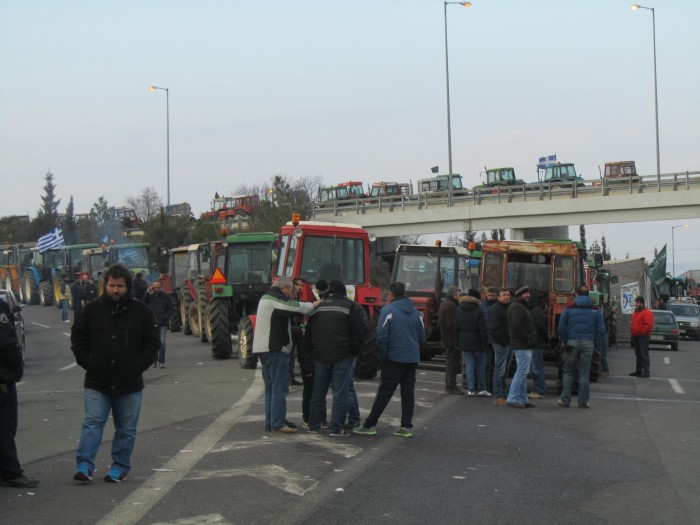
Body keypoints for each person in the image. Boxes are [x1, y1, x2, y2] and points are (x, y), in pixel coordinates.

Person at [70, 263, 160, 482]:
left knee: (126, 429)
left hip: (129, 383)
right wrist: (88, 362)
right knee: (92, 423)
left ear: (127, 286)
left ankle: (119, 467)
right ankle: (84, 465)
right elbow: (78, 338)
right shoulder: (91, 311)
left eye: (120, 286)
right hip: (97, 381)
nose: (115, 290)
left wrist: (138, 366)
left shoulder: (142, 312)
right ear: (105, 286)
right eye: (111, 286)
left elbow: (152, 343)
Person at [354, 282, 425, 438]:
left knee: (384, 392)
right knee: (408, 392)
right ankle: (406, 426)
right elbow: (421, 336)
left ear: (391, 294)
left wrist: (384, 356)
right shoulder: (416, 312)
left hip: (393, 358)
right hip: (412, 358)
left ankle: (370, 424)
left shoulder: (388, 310)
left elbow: (381, 336)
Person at [252, 276, 316, 434]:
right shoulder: (276, 298)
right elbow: (296, 307)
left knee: (270, 389)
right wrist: (314, 305)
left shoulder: (266, 297)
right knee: (279, 388)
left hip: (263, 348)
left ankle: (271, 422)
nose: (291, 293)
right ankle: (278, 423)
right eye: (291, 290)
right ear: (284, 288)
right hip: (274, 348)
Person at [305, 280, 368, 437]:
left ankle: (313, 425)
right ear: (343, 292)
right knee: (340, 392)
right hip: (342, 356)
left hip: (320, 356)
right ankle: (336, 427)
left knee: (318, 392)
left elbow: (308, 334)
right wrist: (353, 352)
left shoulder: (317, 308)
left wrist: (312, 353)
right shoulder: (349, 307)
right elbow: (358, 333)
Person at [0, 299, 39, 488]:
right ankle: (10, 472)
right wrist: (16, 367)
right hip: (2, 378)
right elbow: (7, 343)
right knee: (5, 426)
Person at [557, 286, 606, 409]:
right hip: (588, 343)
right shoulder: (595, 310)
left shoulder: (568, 308)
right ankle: (583, 402)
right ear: (588, 295)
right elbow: (601, 330)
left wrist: (566, 340)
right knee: (584, 373)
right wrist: (594, 342)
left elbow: (561, 328)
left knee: (568, 371)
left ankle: (565, 400)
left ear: (576, 294)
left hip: (571, 343)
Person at [506, 286, 537, 409]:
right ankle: (512, 398)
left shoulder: (519, 306)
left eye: (528, 293)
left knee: (522, 371)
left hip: (521, 344)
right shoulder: (518, 307)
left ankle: (523, 399)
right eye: (525, 293)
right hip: (522, 344)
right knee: (522, 371)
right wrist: (528, 337)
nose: (528, 295)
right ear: (519, 295)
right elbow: (516, 325)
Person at [455, 289, 490, 397]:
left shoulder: (458, 310)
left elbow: (456, 327)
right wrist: (485, 342)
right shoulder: (479, 309)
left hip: (464, 339)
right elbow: (482, 328)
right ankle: (482, 388)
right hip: (477, 339)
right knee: (481, 364)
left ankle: (470, 389)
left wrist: (458, 341)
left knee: (469, 364)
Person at [144, 280, 174, 368]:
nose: (156, 289)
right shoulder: (150, 297)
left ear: (161, 287)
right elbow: (143, 303)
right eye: (155, 288)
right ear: (152, 288)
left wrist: (165, 317)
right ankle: (154, 360)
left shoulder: (166, 297)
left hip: (162, 323)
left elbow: (171, 308)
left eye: (158, 287)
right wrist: (147, 293)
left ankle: (161, 362)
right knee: (153, 343)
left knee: (162, 342)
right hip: (152, 324)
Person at [489, 288, 511, 406]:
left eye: (508, 295)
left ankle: (502, 394)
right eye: (504, 295)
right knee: (500, 370)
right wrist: (504, 341)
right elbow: (494, 328)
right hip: (501, 343)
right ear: (498, 297)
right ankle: (498, 395)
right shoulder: (496, 309)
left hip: (506, 342)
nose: (507, 297)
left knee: (503, 370)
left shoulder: (504, 308)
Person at [439, 286, 463, 395]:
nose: (460, 297)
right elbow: (452, 324)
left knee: (451, 362)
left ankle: (450, 385)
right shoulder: (451, 305)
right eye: (459, 294)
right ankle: (451, 386)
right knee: (453, 362)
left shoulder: (446, 303)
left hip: (448, 338)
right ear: (455, 295)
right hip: (451, 339)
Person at [527, 292, 549, 399]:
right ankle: (538, 390)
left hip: (536, 343)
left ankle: (539, 391)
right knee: (536, 367)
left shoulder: (534, 312)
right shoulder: (537, 310)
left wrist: (546, 339)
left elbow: (540, 327)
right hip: (538, 342)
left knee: (536, 368)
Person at [629, 296, 653, 378]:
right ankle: (638, 370)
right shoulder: (636, 312)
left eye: (637, 303)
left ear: (641, 303)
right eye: (636, 302)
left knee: (644, 354)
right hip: (636, 336)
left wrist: (641, 333)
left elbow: (649, 325)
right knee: (638, 355)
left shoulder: (647, 313)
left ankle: (646, 371)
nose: (636, 304)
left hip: (643, 336)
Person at [481, 286, 498, 393]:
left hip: (496, 339)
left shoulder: (484, 306)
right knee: (488, 364)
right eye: (489, 295)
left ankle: (493, 386)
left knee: (495, 364)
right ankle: (488, 386)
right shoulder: (482, 306)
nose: (490, 297)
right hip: (487, 340)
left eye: (493, 296)